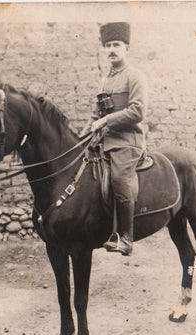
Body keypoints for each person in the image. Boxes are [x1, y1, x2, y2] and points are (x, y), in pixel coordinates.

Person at [81, 22, 148, 255]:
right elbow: (94, 115)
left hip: (128, 142)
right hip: (105, 142)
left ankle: (126, 238)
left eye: (116, 45)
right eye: (108, 45)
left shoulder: (135, 77)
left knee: (119, 179)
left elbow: (138, 111)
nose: (111, 49)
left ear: (126, 47)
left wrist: (105, 122)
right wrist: (80, 140)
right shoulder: (104, 80)